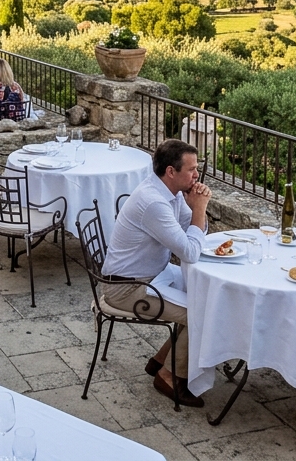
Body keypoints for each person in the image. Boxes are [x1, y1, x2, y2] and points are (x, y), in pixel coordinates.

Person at [101, 139, 212, 408]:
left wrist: (195, 208)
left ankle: (162, 360)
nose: (197, 175)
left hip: (152, 275)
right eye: (192, 169)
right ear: (171, 172)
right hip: (128, 288)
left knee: (208, 296)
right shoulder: (154, 203)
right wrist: (200, 207)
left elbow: (192, 228)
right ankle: (169, 376)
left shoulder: (169, 193)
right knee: (202, 314)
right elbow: (190, 251)